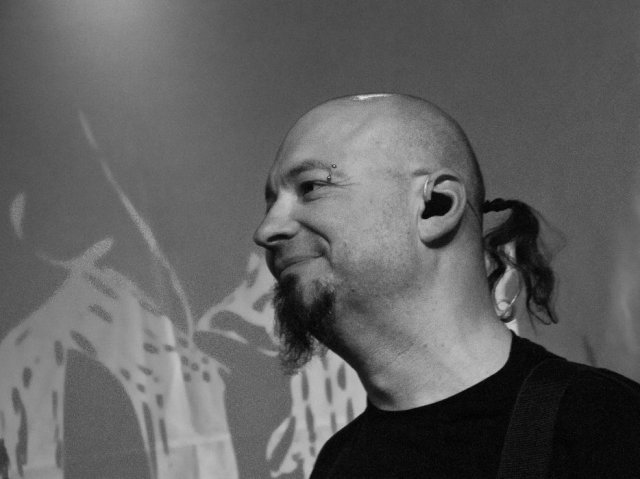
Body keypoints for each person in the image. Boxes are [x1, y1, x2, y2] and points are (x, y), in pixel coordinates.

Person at [253, 93, 640, 478]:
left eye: (310, 188)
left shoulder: (602, 426)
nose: (267, 230)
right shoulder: (337, 463)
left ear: (435, 205)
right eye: (271, 203)